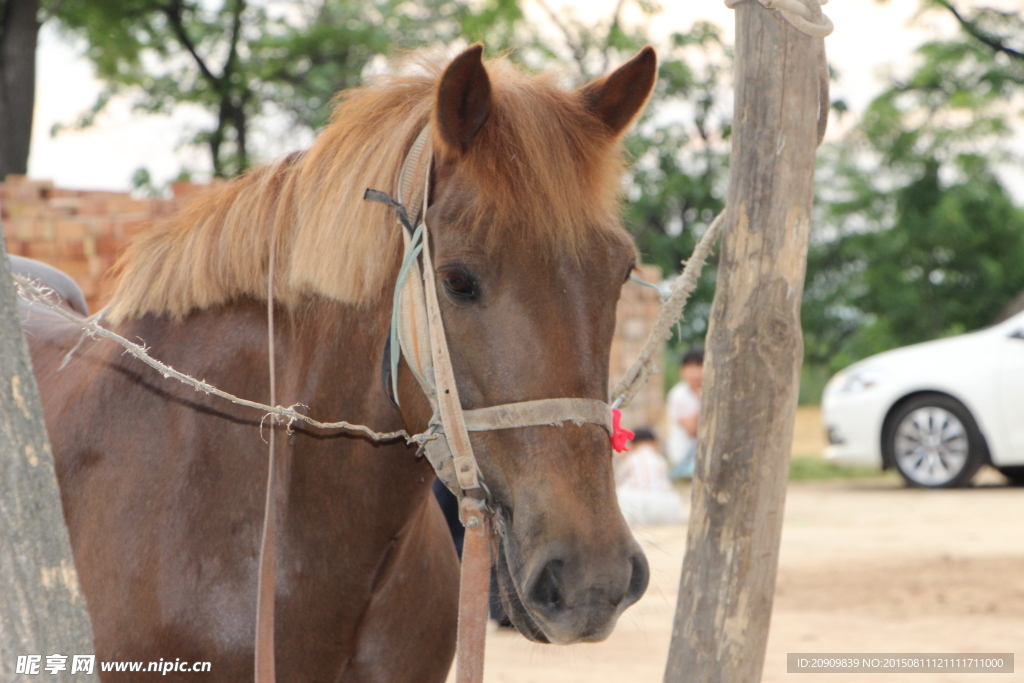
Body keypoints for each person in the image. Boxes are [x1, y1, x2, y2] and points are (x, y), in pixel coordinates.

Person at [614, 428, 686, 526]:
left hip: (636, 506)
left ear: (632, 445)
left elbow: (618, 479)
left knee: (622, 489)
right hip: (664, 504)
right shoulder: (660, 459)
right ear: (655, 443)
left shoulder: (631, 458)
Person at [666, 347, 703, 480]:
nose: (694, 373)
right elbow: (693, 431)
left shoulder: (710, 389)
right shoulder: (678, 395)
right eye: (689, 367)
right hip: (685, 456)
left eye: (699, 366)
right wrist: (703, 403)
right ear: (682, 370)